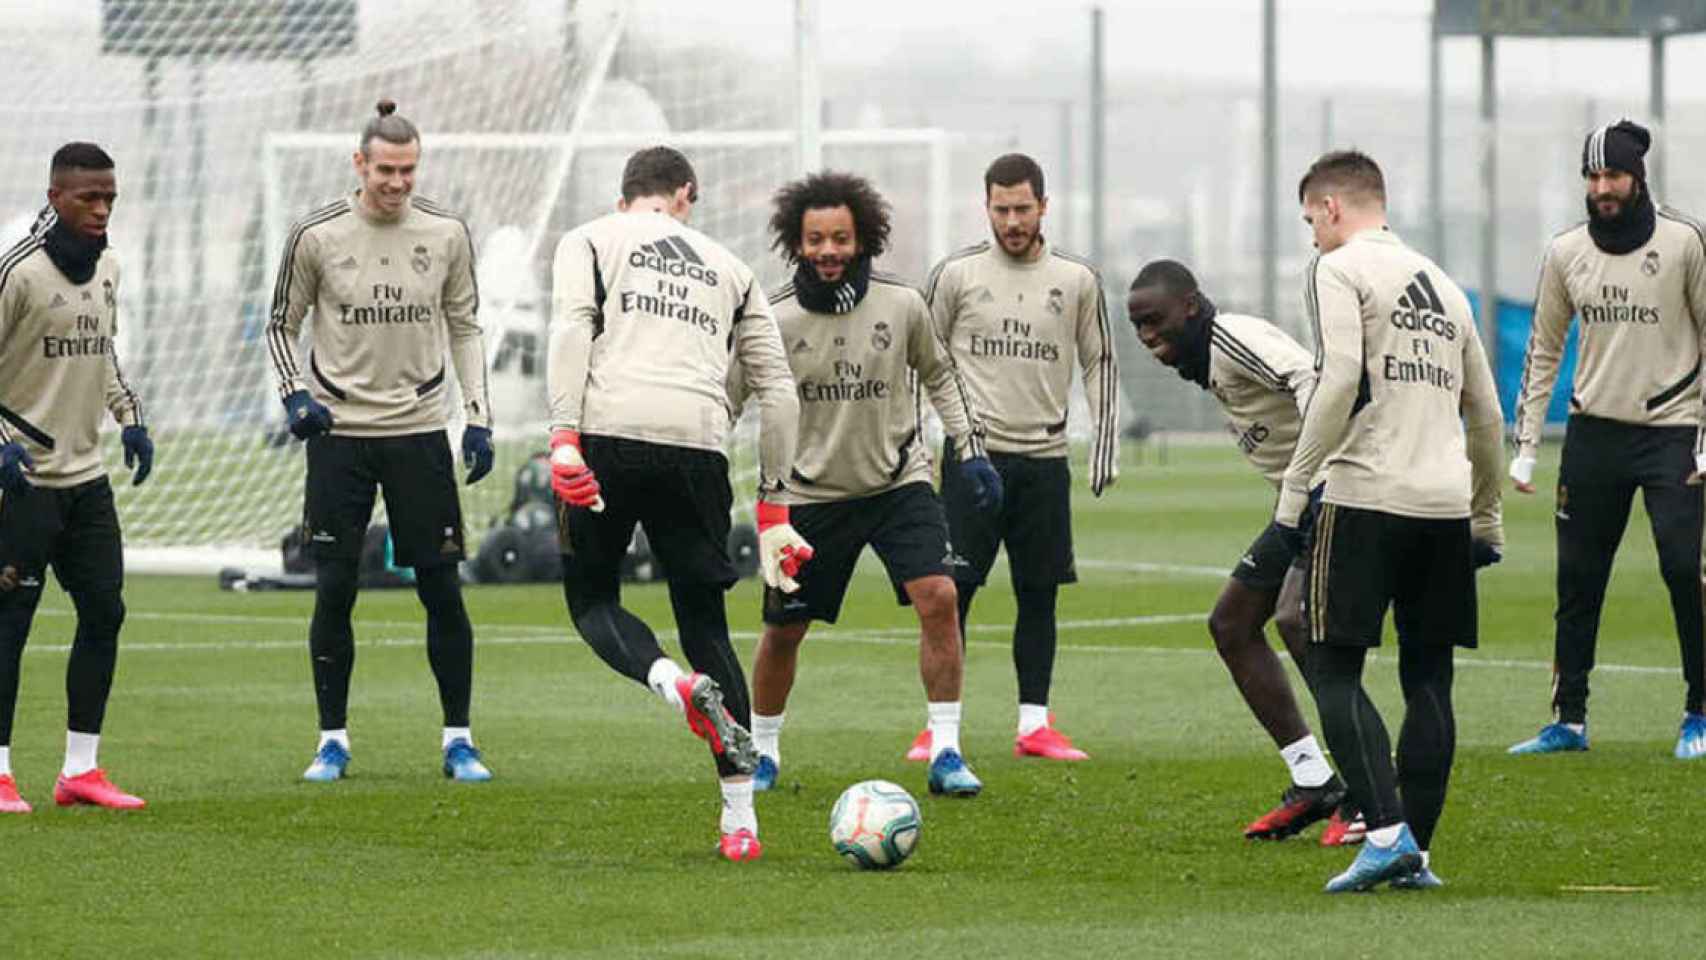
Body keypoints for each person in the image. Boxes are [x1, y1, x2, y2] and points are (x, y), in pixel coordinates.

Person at [548, 145, 808, 861]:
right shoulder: (731, 267)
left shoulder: (591, 238)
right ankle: (740, 824)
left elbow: (572, 327)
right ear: (685, 195)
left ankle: (671, 684)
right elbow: (779, 392)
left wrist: (563, 437)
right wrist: (776, 510)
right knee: (707, 625)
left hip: (608, 434)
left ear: (624, 194)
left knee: (594, 603)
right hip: (698, 444)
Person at [1279, 150, 1504, 892]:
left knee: (1333, 664)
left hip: (1367, 494)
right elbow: (1487, 415)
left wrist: (1295, 487)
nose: (1311, 233)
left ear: (1333, 208)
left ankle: (1384, 832)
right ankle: (1420, 856)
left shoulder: (1338, 270)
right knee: (1429, 678)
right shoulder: (1446, 286)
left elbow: (1341, 377)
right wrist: (1486, 515)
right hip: (1443, 506)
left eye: (1311, 218)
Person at [742, 171, 1000, 799]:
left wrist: (969, 448)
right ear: (796, 244)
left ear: (862, 240)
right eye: (815, 240)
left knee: (939, 595)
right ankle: (763, 749)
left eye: (840, 239)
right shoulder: (773, 318)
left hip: (897, 482)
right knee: (784, 630)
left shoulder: (902, 304)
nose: (828, 251)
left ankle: (945, 750)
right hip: (807, 496)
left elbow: (940, 375)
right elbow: (731, 394)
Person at [266, 100, 496, 784]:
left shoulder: (447, 233)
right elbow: (281, 324)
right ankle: (332, 740)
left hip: (420, 433)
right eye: (385, 169)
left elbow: (466, 326)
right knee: (334, 589)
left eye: (408, 169)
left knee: (442, 589)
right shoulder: (316, 235)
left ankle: (459, 740)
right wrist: (295, 398)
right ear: (359, 164)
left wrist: (478, 416)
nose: (397, 182)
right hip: (340, 437)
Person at [1127, 259, 1362, 845]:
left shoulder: (1234, 337)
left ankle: (1368, 792)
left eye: (1154, 321)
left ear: (1190, 305)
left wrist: (1318, 473)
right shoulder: (1209, 365)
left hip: (1334, 494)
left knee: (1295, 619)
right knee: (1232, 624)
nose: (1147, 336)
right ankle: (1314, 781)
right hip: (1298, 507)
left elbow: (1312, 381)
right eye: (1137, 327)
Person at [1506, 120, 1706, 759]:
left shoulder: (1684, 243)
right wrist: (1528, 444)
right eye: (1592, 178)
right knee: (1579, 579)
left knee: (1685, 569)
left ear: (1637, 177)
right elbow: (1542, 349)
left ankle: (1699, 713)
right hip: (1594, 433)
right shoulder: (1566, 252)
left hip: (1673, 431)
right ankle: (1569, 720)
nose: (1602, 189)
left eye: (1612, 175)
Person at [918, 153, 1119, 762]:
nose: (1012, 220)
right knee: (955, 593)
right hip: (971, 459)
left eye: (1022, 208)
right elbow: (919, 360)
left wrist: (1103, 442)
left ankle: (1034, 724)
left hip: (1044, 459)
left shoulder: (1077, 279)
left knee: (1039, 594)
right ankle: (938, 725)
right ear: (987, 207)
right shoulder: (954, 275)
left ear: (1043, 207)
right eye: (1001, 209)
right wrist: (919, 448)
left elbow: (1099, 359)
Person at [0, 142, 153, 813]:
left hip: (86, 478)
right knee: (10, 624)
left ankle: (80, 771)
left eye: (110, 198)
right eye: (90, 198)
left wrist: (131, 418)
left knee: (105, 611)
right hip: (22, 480)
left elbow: (104, 352)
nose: (101, 209)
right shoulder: (18, 274)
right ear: (57, 195)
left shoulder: (110, 266)